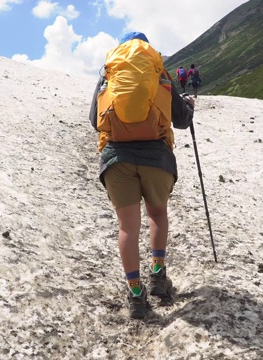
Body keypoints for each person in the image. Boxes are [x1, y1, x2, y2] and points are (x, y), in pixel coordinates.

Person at [89, 32, 195, 319]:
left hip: (117, 159)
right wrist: (188, 107)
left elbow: (94, 122)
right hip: (156, 157)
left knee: (127, 227)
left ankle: (136, 293)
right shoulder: (158, 73)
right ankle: (158, 275)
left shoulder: (109, 74)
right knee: (157, 213)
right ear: (148, 50)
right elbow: (182, 121)